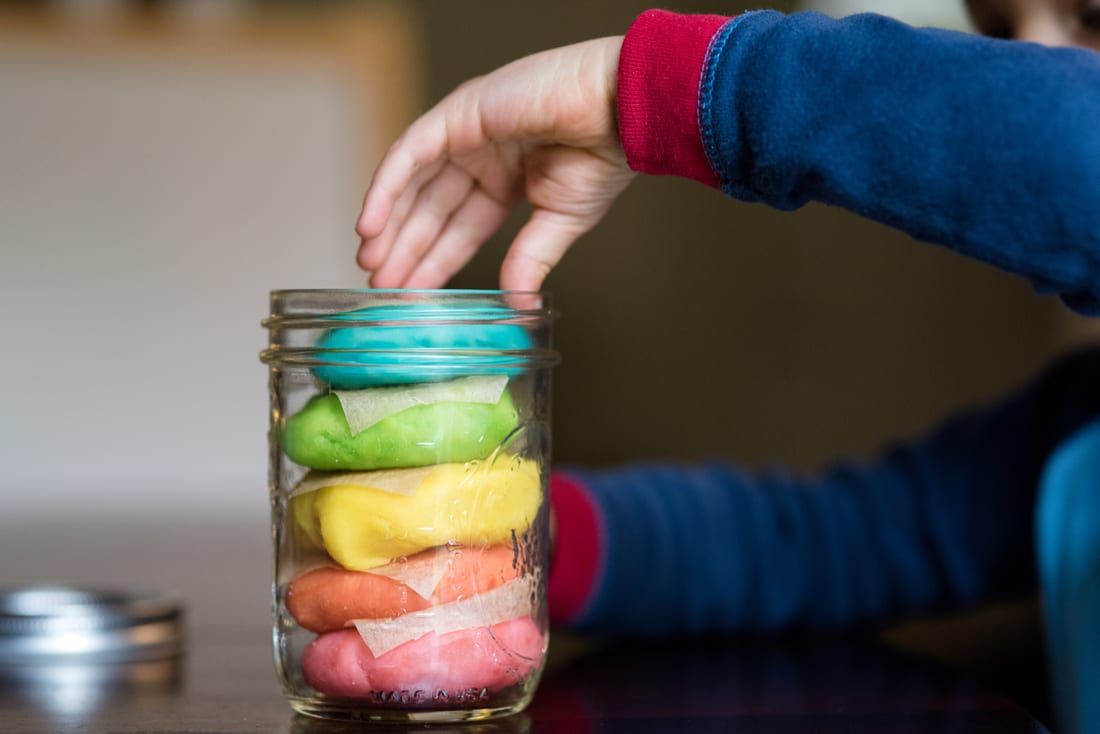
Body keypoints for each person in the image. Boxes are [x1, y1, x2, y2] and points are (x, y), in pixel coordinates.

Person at [354, 5, 1100, 732]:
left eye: (1090, 17)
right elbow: (816, 547)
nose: (1023, 62)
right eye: (998, 32)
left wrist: (658, 85)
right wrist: (522, 539)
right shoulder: (1074, 444)